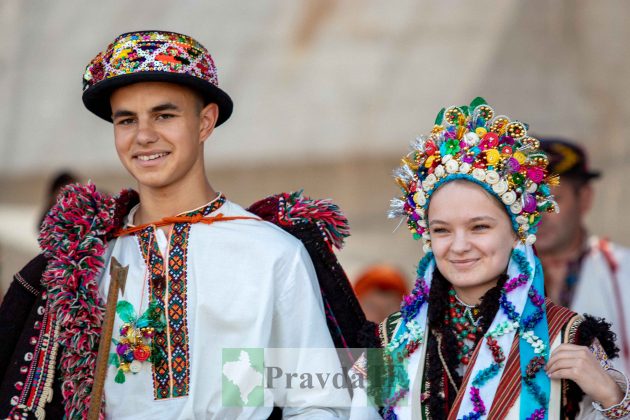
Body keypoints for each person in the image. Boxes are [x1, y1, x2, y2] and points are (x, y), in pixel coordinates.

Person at [0, 30, 355, 419]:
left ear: (205, 123)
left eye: (164, 115)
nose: (144, 136)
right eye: (126, 120)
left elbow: (319, 403)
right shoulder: (86, 262)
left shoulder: (271, 254)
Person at [355, 98, 629, 419]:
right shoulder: (389, 340)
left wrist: (612, 397)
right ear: (427, 237)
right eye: (442, 230)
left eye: (479, 227)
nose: (459, 246)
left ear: (517, 233)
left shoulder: (568, 336)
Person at [537, 138, 630, 375]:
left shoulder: (622, 269)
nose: (539, 215)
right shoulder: (499, 273)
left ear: (585, 198)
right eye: (530, 201)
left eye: (553, 200)